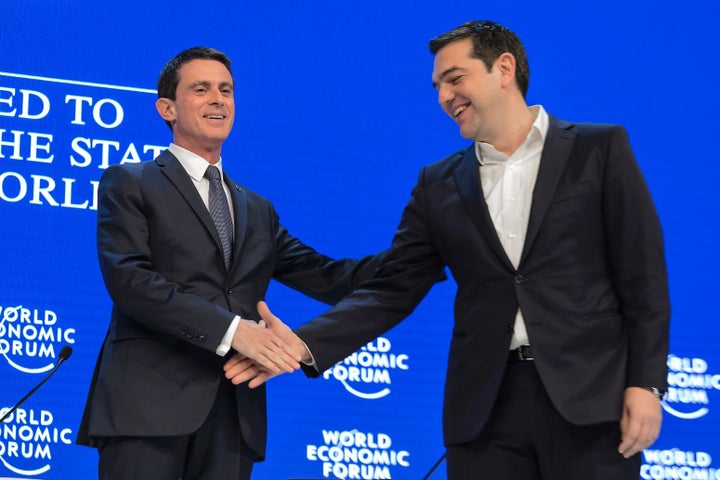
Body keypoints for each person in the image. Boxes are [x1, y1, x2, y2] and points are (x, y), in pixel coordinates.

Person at [224, 20, 671, 480]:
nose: (444, 97)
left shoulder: (598, 148)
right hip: (485, 407)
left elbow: (644, 278)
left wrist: (646, 384)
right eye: (438, 86)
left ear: (504, 68)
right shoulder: (437, 183)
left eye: (455, 78)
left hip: (592, 399)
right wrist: (302, 345)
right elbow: (392, 289)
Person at [76, 46, 383, 480]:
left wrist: (416, 253)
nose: (218, 99)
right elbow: (129, 281)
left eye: (226, 89)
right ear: (167, 108)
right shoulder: (131, 181)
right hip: (147, 407)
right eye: (200, 89)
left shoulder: (256, 207)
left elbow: (330, 278)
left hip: (234, 412)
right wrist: (233, 331)